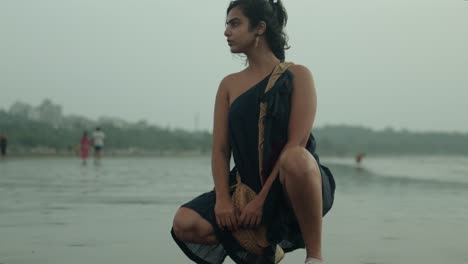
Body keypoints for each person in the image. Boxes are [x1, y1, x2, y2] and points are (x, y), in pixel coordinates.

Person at [171, 1, 335, 264]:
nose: (227, 31)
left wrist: (261, 201)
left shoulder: (298, 75)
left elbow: (297, 143)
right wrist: (223, 200)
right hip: (245, 188)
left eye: (234, 23)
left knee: (296, 157)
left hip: (293, 185)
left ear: (259, 28)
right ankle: (265, 250)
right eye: (226, 25)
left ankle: (314, 257)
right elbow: (221, 151)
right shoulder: (229, 85)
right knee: (184, 222)